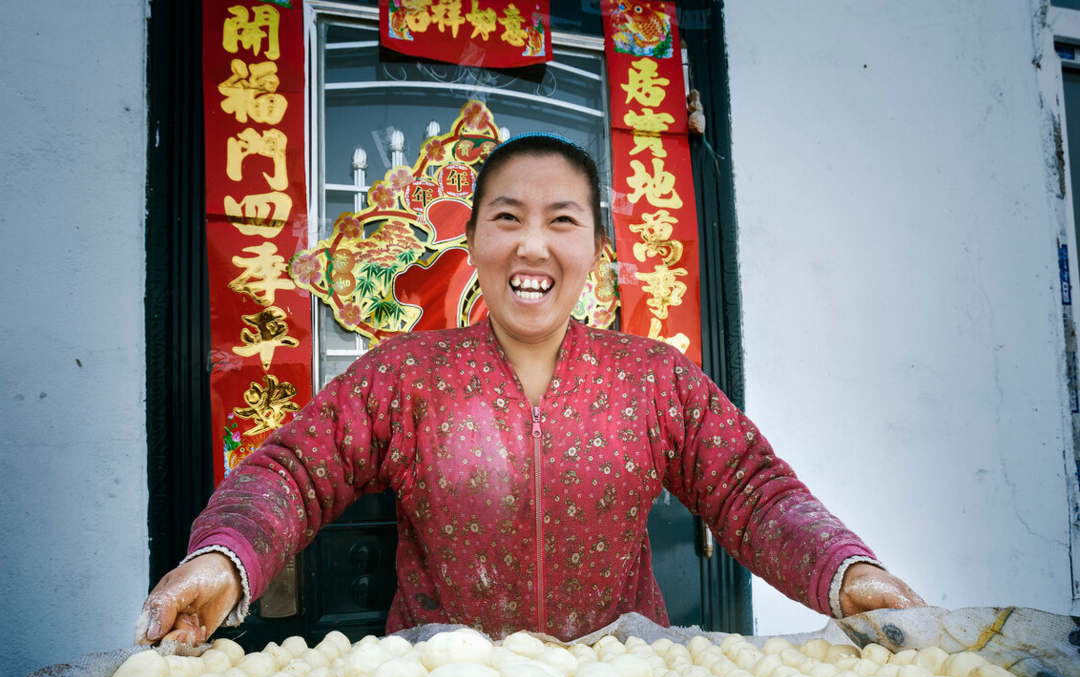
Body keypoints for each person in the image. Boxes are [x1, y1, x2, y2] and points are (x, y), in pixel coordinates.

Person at [135, 133, 924, 647]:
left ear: (596, 250)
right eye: (507, 217)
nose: (532, 245)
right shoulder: (406, 374)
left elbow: (753, 491)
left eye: (563, 221)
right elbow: (292, 473)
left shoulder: (654, 379)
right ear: (474, 239)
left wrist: (846, 571)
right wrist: (224, 560)